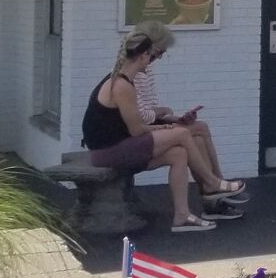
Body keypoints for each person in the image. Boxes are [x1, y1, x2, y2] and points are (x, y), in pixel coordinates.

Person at [80, 24, 246, 232]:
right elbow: (137, 129)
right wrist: (167, 127)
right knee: (183, 133)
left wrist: (167, 124)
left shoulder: (123, 80)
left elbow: (137, 124)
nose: (154, 60)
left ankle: (182, 216)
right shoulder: (123, 85)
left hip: (118, 144)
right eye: (153, 55)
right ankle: (212, 184)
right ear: (143, 56)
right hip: (109, 151)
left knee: (178, 153)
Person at [130, 29, 229, 187]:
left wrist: (176, 118)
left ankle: (213, 190)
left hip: (149, 127)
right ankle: (218, 183)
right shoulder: (133, 74)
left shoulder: (146, 70)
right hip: (138, 134)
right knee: (200, 128)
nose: (158, 58)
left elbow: (151, 110)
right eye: (158, 52)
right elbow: (143, 117)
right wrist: (164, 111)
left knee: (197, 138)